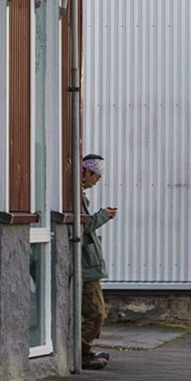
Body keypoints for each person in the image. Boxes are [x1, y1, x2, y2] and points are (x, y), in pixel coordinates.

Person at [79, 154, 116, 369]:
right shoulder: (76, 197)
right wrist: (103, 216)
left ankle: (84, 350)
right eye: (97, 177)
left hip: (88, 266)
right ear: (87, 172)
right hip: (86, 268)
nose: (96, 182)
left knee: (93, 313)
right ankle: (82, 352)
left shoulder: (79, 196)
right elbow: (82, 227)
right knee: (96, 313)